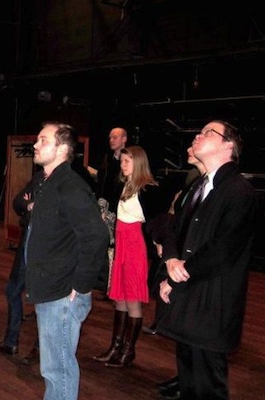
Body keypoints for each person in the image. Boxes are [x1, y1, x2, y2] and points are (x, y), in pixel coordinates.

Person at [157, 120, 257, 400]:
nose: (198, 136)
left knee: (207, 385)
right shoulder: (201, 186)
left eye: (207, 132)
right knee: (189, 380)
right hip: (190, 298)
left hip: (212, 304)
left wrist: (180, 273)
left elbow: (223, 249)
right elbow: (177, 231)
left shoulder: (239, 191)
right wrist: (172, 263)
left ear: (229, 145)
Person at [25, 121, 109, 400]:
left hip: (62, 293)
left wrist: (81, 285)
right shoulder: (48, 182)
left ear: (62, 149)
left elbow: (96, 236)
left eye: (43, 140)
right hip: (49, 287)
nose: (36, 145)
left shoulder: (70, 186)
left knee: (58, 369)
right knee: (53, 367)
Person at [144, 146, 206, 400]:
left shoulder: (212, 187)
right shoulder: (193, 185)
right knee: (182, 332)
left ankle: (188, 382)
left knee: (192, 334)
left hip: (191, 268)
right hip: (178, 260)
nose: (190, 147)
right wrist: (166, 245)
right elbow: (176, 222)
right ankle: (182, 378)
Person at [92, 145, 158, 368]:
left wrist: (158, 245)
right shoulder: (123, 185)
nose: (123, 164)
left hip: (134, 245)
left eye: (128, 161)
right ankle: (115, 347)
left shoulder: (147, 189)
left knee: (132, 299)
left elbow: (155, 224)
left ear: (138, 162)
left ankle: (128, 350)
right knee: (118, 296)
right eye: (122, 161)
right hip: (120, 243)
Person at [0, 170, 43, 360]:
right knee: (12, 291)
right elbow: (18, 201)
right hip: (26, 245)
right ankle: (11, 341)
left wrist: (35, 204)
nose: (37, 146)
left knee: (41, 300)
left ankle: (39, 348)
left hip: (45, 250)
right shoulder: (39, 177)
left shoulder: (64, 181)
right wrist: (30, 204)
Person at [94, 127, 128, 296]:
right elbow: (102, 183)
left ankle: (114, 285)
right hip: (104, 208)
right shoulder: (107, 159)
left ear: (124, 139)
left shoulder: (128, 161)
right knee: (104, 245)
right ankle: (104, 283)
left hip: (119, 211)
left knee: (116, 248)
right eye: (110, 137)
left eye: (115, 137)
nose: (111, 140)